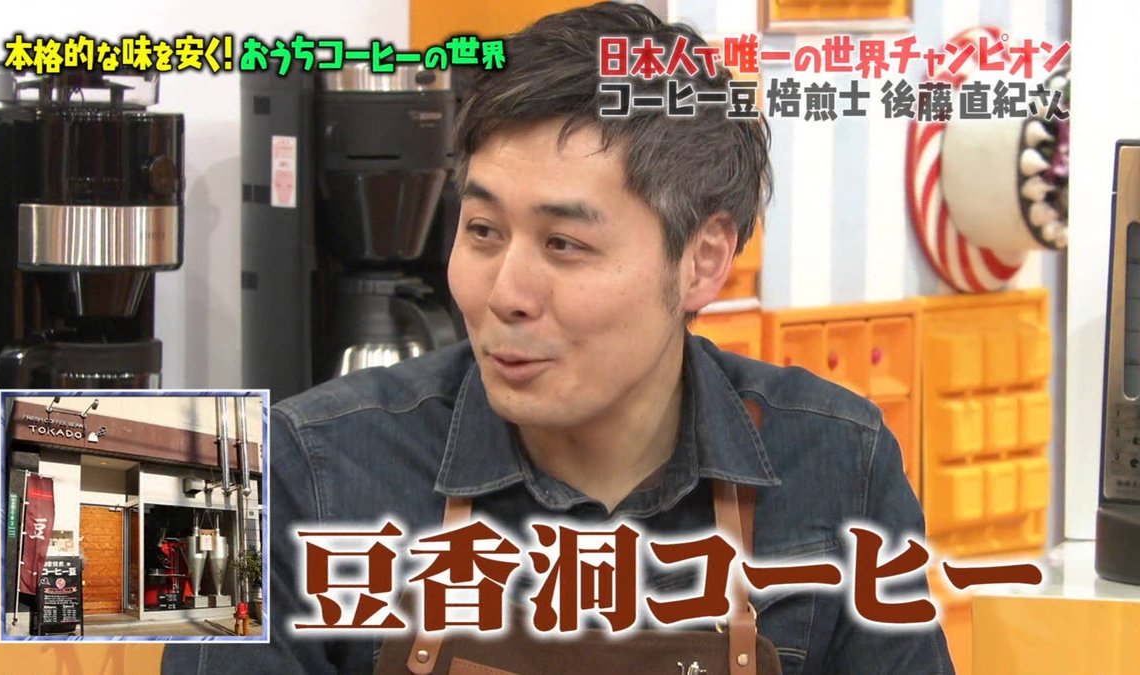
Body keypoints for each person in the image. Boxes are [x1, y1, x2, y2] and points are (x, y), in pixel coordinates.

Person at [164, 3, 953, 673]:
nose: (505, 293)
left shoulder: (839, 466)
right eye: (482, 230)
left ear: (703, 260)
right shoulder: (289, 476)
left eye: (564, 244)